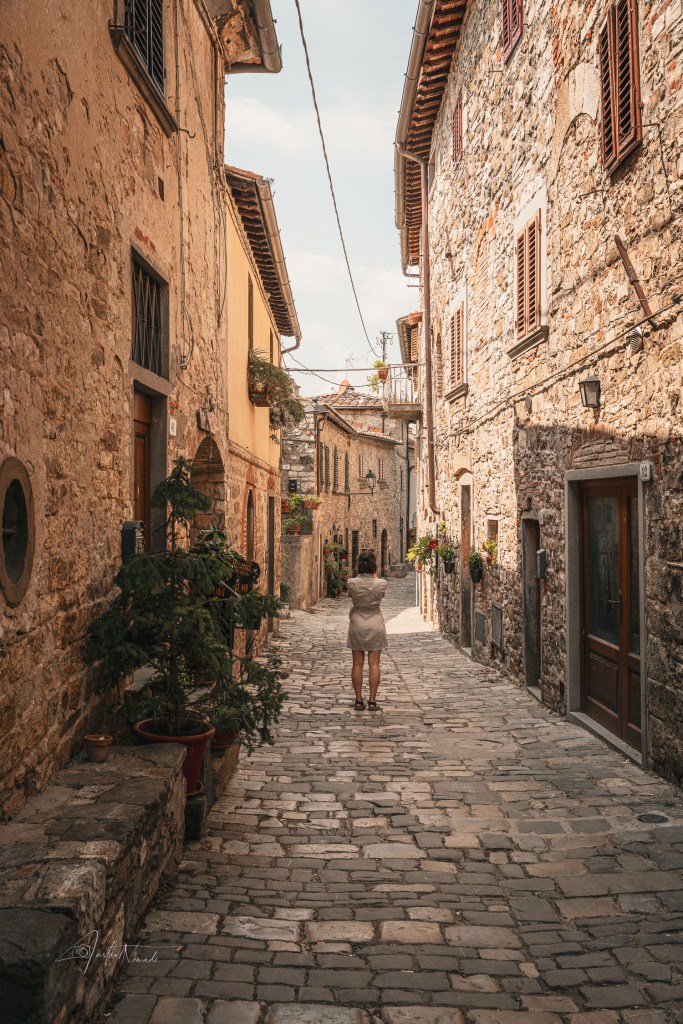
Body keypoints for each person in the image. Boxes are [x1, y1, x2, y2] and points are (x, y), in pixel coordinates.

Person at [346, 549, 387, 711]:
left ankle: (358, 700)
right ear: (374, 565)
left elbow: (351, 596)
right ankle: (372, 701)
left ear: (359, 565)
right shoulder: (381, 583)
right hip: (375, 622)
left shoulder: (351, 583)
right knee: (374, 663)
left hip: (357, 622)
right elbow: (380, 595)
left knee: (357, 664)